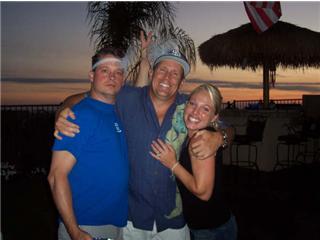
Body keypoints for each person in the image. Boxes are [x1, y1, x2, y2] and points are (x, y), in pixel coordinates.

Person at [54, 44, 232, 239]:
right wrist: (63, 112)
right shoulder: (127, 97)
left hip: (172, 220)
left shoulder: (188, 107)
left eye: (175, 73)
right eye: (162, 69)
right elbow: (87, 99)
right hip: (132, 219)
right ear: (152, 72)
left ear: (181, 82)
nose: (167, 77)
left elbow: (228, 128)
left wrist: (219, 137)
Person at [48, 48, 129, 240]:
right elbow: (56, 175)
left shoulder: (117, 112)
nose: (112, 76)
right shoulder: (80, 115)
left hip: (114, 223)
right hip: (86, 226)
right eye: (104, 71)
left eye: (118, 72)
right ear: (91, 76)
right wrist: (74, 231)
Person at [150, 83, 237, 240]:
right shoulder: (198, 135)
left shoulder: (200, 140)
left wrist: (172, 164)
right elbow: (230, 130)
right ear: (186, 104)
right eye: (193, 104)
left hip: (211, 230)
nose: (196, 112)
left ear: (214, 117)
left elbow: (203, 192)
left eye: (205, 109)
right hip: (213, 224)